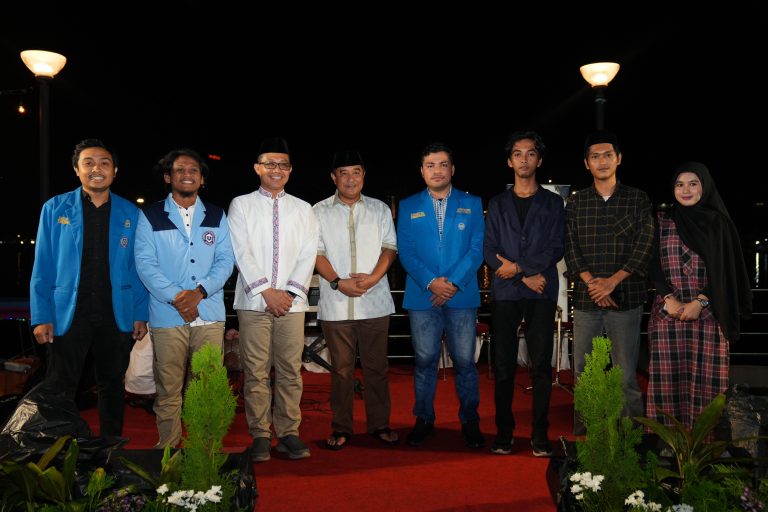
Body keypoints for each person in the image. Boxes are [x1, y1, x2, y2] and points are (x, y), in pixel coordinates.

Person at [29, 138, 149, 437]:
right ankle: (61, 448)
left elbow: (137, 268)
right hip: (67, 312)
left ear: (115, 171)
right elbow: (42, 265)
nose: (97, 169)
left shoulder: (131, 213)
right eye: (89, 163)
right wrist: (41, 316)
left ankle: (110, 448)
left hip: (115, 311)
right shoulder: (54, 208)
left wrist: (140, 313)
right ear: (76, 169)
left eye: (104, 163)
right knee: (61, 384)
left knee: (112, 384)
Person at [134, 148, 235, 449]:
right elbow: (145, 264)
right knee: (169, 390)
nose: (187, 174)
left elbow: (226, 260)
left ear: (202, 179)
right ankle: (168, 451)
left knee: (207, 388)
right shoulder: (150, 215)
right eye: (180, 170)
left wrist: (199, 293)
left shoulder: (216, 215)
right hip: (167, 316)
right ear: (168, 177)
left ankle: (205, 451)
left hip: (209, 313)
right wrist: (179, 298)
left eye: (193, 170)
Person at [227, 137, 319, 462]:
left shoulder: (304, 208)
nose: (276, 170)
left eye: (282, 165)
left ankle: (289, 432)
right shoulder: (241, 204)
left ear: (290, 170)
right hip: (254, 301)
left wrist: (289, 293)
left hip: (292, 304)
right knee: (255, 371)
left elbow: (309, 253)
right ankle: (260, 435)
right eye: (270, 164)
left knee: (291, 370)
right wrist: (266, 291)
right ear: (257, 168)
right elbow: (240, 250)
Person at [646, 162, 752, 429]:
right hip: (668, 316)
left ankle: (704, 448)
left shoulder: (719, 224)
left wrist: (701, 301)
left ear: (704, 187)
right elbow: (651, 263)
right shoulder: (662, 221)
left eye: (693, 184)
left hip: (709, 317)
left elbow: (727, 270)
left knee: (707, 391)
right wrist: (668, 298)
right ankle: (666, 448)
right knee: (666, 387)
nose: (686, 190)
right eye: (679, 184)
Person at [397, 142, 486, 449]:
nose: (437, 170)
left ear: (453, 169)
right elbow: (406, 252)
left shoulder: (472, 203)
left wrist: (453, 283)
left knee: (465, 362)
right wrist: (431, 282)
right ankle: (423, 419)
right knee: (424, 361)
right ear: (422, 171)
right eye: (431, 165)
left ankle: (470, 421)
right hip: (422, 296)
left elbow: (477, 249)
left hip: (461, 296)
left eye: (443, 164)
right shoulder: (408, 205)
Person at [483, 130, 565, 456]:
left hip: (541, 290)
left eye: (530, 153)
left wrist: (520, 268)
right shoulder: (497, 203)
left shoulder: (553, 203)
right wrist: (522, 275)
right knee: (503, 366)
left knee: (541, 366)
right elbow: (489, 249)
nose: (524, 159)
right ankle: (504, 433)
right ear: (509, 161)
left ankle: (540, 434)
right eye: (517, 154)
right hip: (506, 293)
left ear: (539, 160)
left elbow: (556, 247)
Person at [565, 130, 654, 425]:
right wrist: (595, 285)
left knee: (625, 373)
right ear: (586, 163)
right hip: (586, 299)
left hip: (626, 298)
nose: (602, 161)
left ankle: (630, 437)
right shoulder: (576, 203)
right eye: (595, 156)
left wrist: (612, 282)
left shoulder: (637, 199)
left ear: (618, 159)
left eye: (607, 155)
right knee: (584, 371)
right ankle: (588, 435)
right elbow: (570, 247)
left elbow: (644, 246)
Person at [313, 150, 399, 450]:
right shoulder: (318, 211)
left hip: (374, 301)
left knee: (377, 368)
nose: (350, 179)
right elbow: (315, 253)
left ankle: (380, 425)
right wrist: (338, 282)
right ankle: (341, 427)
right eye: (344, 173)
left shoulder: (379, 209)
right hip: (336, 303)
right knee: (341, 371)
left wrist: (373, 278)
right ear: (333, 177)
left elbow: (390, 247)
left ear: (364, 175)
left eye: (356, 172)